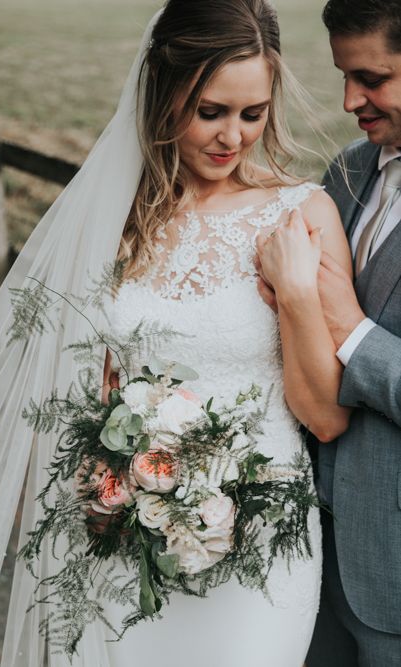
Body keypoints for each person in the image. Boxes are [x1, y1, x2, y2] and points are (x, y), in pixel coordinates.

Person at [0, 1, 349, 665]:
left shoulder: (302, 214)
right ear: (162, 95)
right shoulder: (118, 222)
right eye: (209, 110)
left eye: (252, 113)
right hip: (129, 537)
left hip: (260, 550)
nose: (231, 137)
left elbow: (323, 415)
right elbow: (88, 391)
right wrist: (105, 482)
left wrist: (294, 294)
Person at [257, 1, 401, 665]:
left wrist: (353, 334)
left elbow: (338, 326)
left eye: (370, 78)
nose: (349, 100)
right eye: (344, 76)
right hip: (305, 554)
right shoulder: (347, 171)